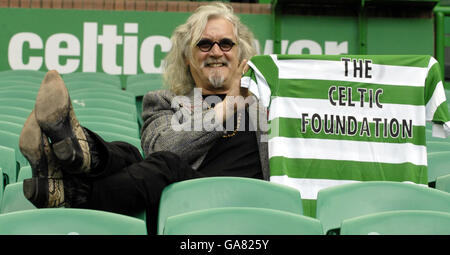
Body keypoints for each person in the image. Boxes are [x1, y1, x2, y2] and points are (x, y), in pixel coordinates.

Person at [18, 2, 269, 234]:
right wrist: (227, 106)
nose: (216, 51)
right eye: (204, 44)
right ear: (186, 56)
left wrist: (241, 98)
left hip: (250, 206)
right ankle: (82, 152)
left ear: (240, 54)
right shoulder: (163, 101)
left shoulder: (267, 107)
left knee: (156, 164)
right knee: (129, 154)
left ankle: (72, 188)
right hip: (186, 206)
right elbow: (163, 149)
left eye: (226, 44)